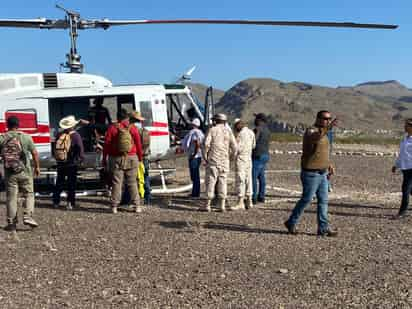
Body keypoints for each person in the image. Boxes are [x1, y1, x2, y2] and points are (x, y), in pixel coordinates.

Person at [284, 110, 338, 237]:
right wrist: (328, 128)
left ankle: (323, 228)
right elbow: (315, 138)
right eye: (326, 119)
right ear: (318, 119)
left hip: (323, 173)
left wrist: (329, 164)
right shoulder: (311, 131)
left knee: (323, 201)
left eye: (329, 119)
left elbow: (324, 150)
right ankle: (291, 222)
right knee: (307, 199)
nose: (328, 121)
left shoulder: (327, 133)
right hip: (311, 173)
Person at [0, 116, 40, 231]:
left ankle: (12, 223)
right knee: (29, 194)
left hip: (10, 173)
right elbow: (35, 153)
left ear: (7, 125)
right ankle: (28, 216)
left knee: (11, 197)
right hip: (25, 171)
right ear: (18, 125)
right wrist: (37, 167)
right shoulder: (26, 137)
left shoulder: (2, 138)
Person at [103, 108, 143, 214]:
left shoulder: (112, 128)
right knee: (132, 182)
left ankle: (114, 207)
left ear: (117, 117)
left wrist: (104, 159)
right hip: (132, 157)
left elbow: (106, 145)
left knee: (117, 183)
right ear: (126, 116)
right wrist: (140, 158)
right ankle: (137, 206)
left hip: (116, 158)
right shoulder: (132, 128)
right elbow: (138, 144)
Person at [203, 113, 237, 212]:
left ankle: (207, 205)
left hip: (213, 159)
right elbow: (235, 147)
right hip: (224, 160)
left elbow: (206, 144)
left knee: (211, 181)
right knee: (223, 182)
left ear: (215, 121)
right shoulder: (228, 131)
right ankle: (222, 205)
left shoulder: (212, 130)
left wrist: (205, 156)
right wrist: (231, 158)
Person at [52, 116, 85, 210]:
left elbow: (55, 148)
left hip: (61, 162)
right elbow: (80, 149)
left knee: (59, 182)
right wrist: (81, 160)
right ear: (73, 125)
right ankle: (70, 203)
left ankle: (56, 202)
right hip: (71, 163)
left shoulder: (59, 135)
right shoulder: (76, 135)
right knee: (71, 184)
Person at [230, 118, 256, 210]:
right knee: (249, 179)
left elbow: (237, 148)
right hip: (249, 158)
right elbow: (253, 146)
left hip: (241, 159)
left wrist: (231, 156)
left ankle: (240, 201)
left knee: (240, 180)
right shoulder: (251, 132)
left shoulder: (241, 134)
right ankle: (249, 201)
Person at [130, 111, 152, 205]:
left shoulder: (132, 130)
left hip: (136, 157)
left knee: (134, 179)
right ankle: (147, 198)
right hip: (145, 157)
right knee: (145, 177)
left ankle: (136, 199)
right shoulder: (145, 131)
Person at [392, 118, 412, 218]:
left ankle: (402, 212)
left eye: (407, 125)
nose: (404, 127)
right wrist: (396, 165)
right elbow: (402, 154)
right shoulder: (405, 139)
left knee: (405, 189)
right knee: (411, 190)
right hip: (405, 167)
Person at [182, 118, 205, 198]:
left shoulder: (194, 133)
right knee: (195, 175)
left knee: (194, 175)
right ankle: (195, 192)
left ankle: (195, 194)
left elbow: (197, 143)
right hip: (198, 156)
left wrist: (193, 154)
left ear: (194, 125)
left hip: (194, 157)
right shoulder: (200, 133)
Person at [252, 113, 271, 204]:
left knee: (253, 177)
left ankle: (254, 197)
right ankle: (262, 196)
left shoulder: (258, 129)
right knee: (261, 177)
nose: (255, 120)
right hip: (265, 155)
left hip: (257, 155)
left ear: (260, 120)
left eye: (256, 118)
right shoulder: (267, 130)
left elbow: (254, 141)